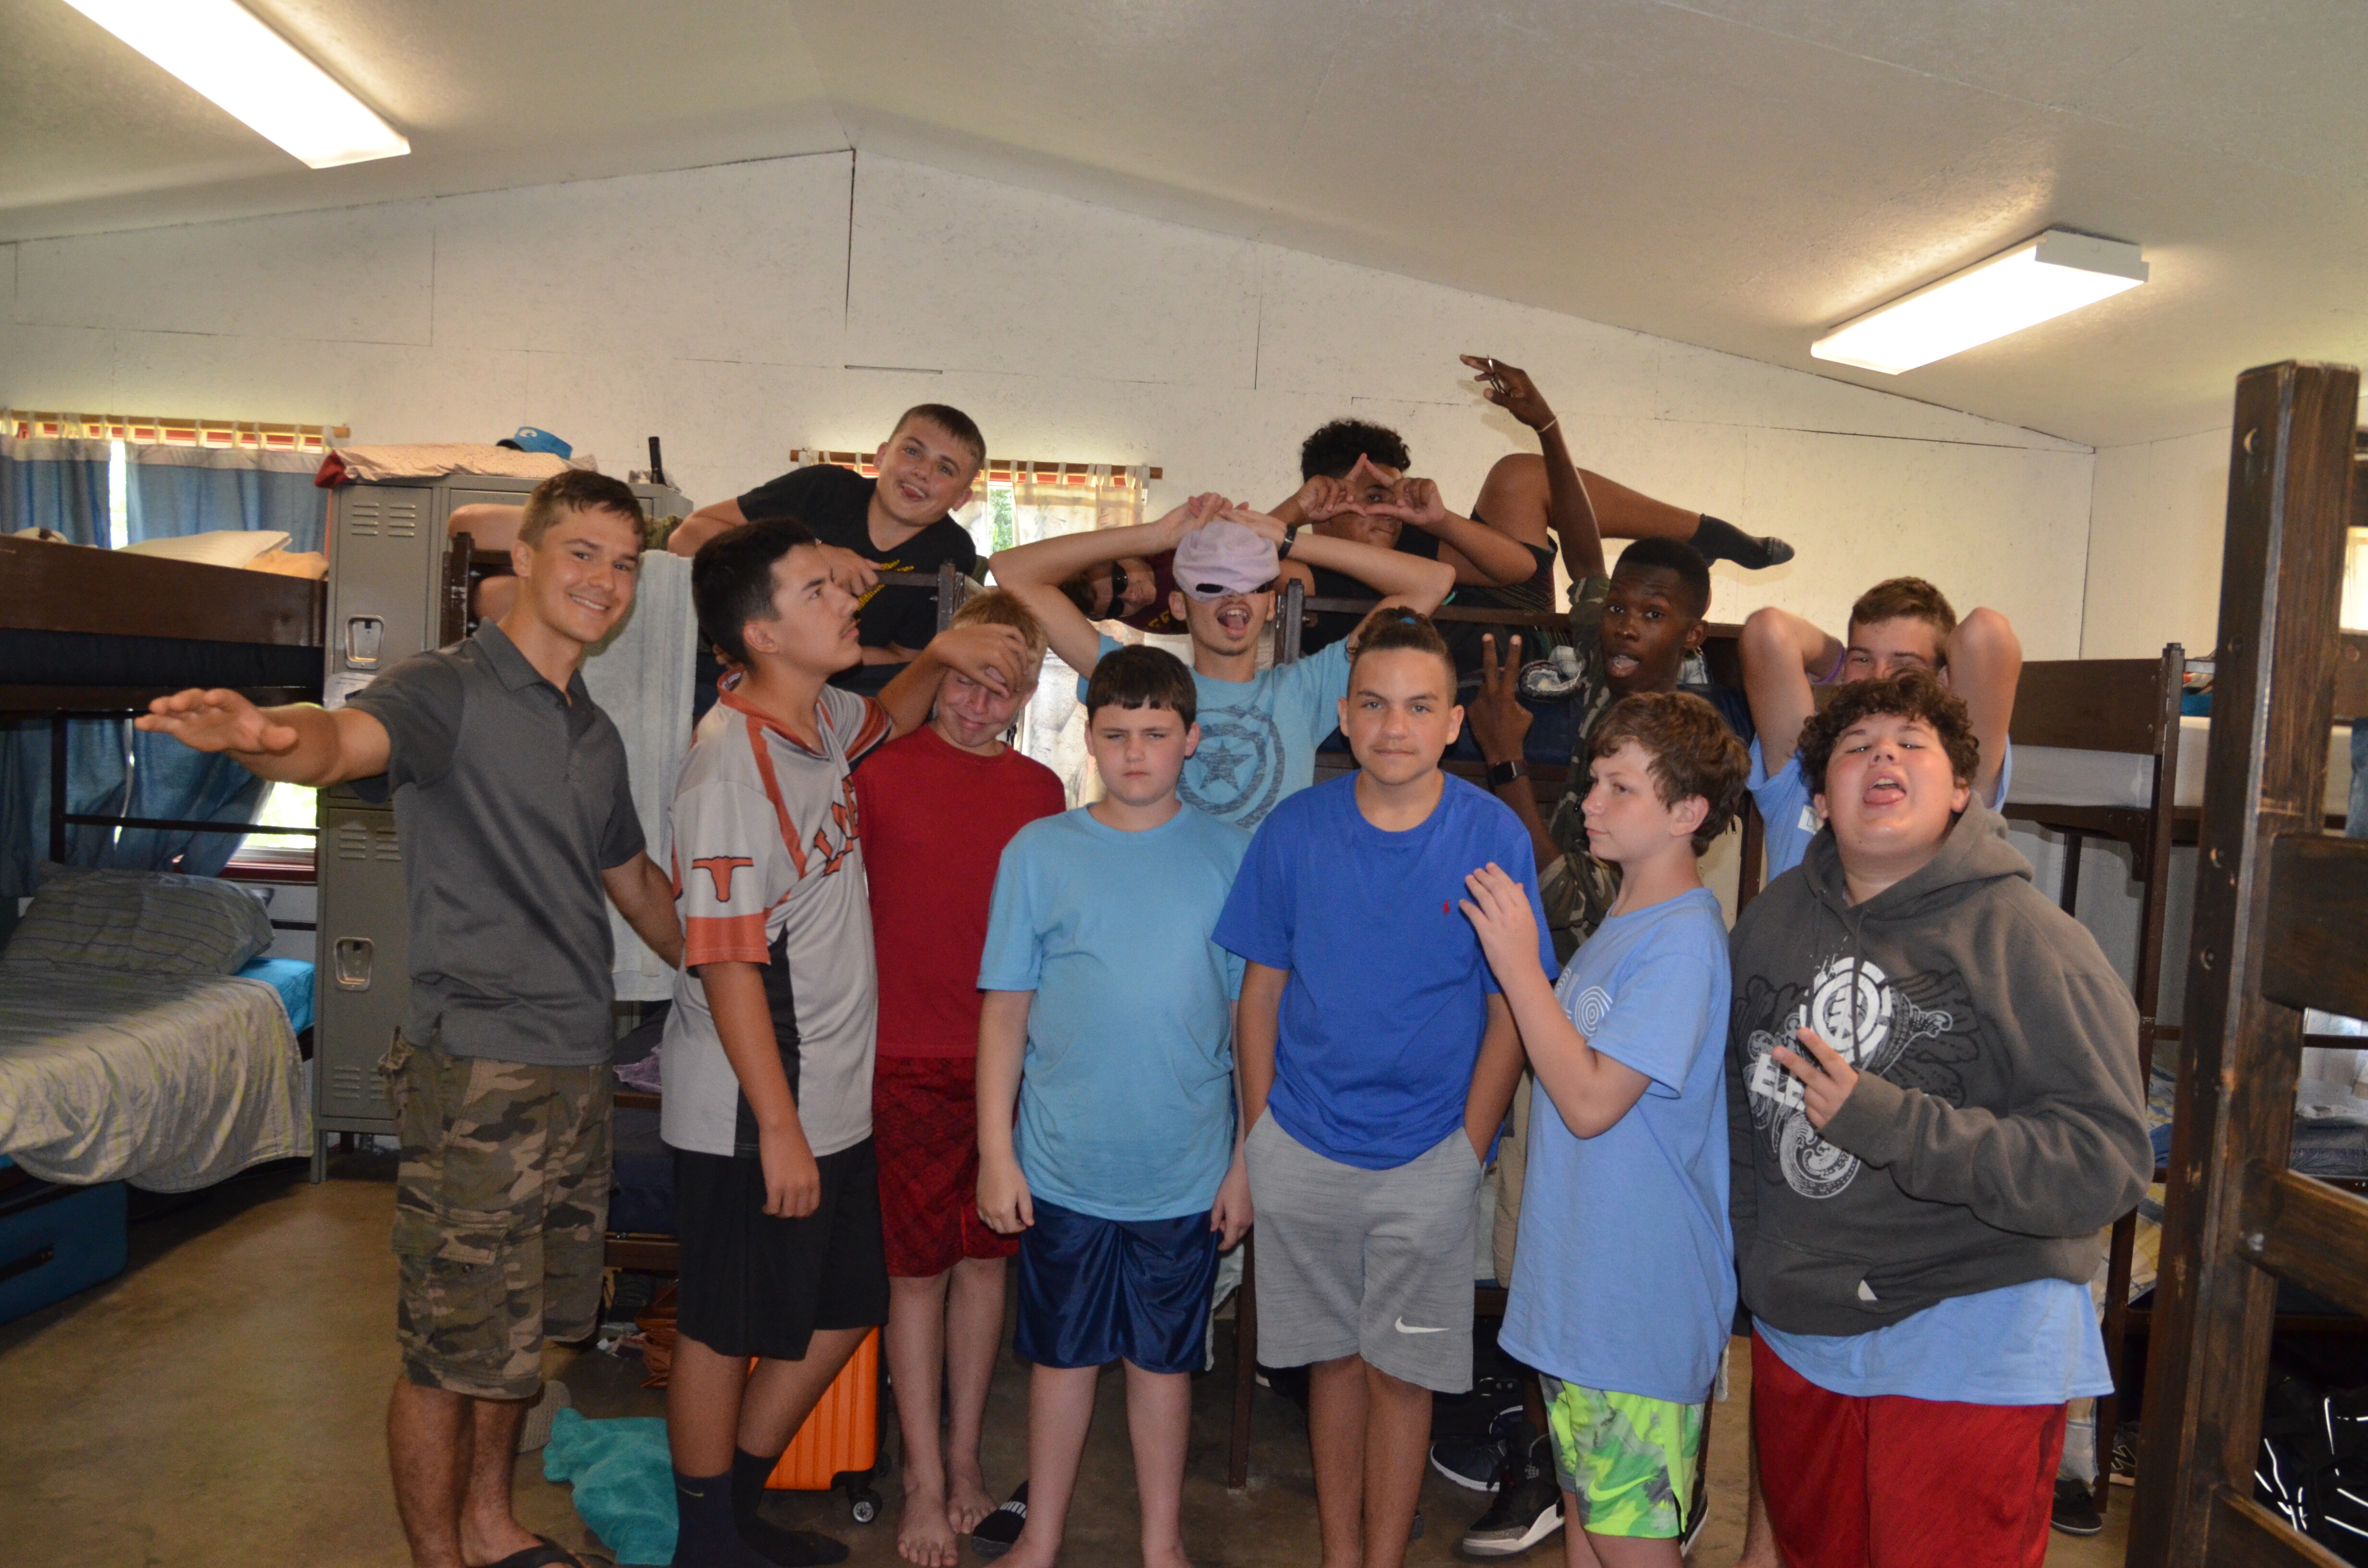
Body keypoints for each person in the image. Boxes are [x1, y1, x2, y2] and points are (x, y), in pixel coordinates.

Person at [136, 470, 687, 1568]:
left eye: (623, 564)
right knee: (450, 1341)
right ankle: (441, 1555)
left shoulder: (592, 732)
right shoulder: (448, 688)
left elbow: (633, 881)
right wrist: (265, 733)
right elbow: (342, 742)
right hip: (478, 1071)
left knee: (517, 1335)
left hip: (575, 1063)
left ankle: (490, 1525)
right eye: (581, 553)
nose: (604, 581)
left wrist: (730, 970)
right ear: (526, 558)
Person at [660, 516, 1035, 1568]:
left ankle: (732, 1510)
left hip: (831, 1088)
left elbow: (890, 710)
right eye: (817, 592)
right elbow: (728, 964)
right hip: (750, 1106)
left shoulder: (819, 718)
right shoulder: (729, 766)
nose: (845, 603)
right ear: (760, 633)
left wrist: (942, 651)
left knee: (846, 1303)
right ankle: (705, 1541)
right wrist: (778, 1126)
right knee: (723, 1323)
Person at [1727, 670, 2151, 1568]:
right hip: (1805, 1330)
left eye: (1910, 743)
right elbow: (1741, 1123)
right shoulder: (1768, 924)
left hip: (1972, 1328)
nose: (1882, 756)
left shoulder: (2029, 937)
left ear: (1962, 788)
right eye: (1855, 747)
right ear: (1818, 797)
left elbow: (2105, 1159)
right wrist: (1756, 1268)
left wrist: (1892, 1125)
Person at [1217, 612, 1553, 1568]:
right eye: (1373, 704)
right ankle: (1339, 1556)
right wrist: (1260, 1139)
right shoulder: (1294, 829)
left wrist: (1464, 1152)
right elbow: (1259, 995)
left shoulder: (1490, 836)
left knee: (1404, 1374)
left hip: (1428, 1158)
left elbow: (1507, 1010)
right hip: (1302, 1146)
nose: (1393, 726)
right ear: (1343, 714)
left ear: (1452, 722)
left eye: (1417, 707)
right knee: (1332, 1364)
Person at [973, 643, 1253, 1568]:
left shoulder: (1230, 857)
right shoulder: (1039, 852)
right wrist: (996, 1152)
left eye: (1156, 733)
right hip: (1061, 1165)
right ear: (1088, 736)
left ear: (1191, 739)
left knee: (1162, 1364)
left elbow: (1253, 1023)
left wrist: (1246, 1161)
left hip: (1183, 1171)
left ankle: (1160, 1542)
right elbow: (1004, 1010)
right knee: (1060, 1359)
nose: (1136, 751)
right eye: (1117, 732)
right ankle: (1041, 1536)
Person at [1460, 692, 1747, 1567]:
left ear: (1687, 813)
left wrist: (1519, 965)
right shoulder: (1629, 919)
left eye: (1620, 787)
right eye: (1593, 780)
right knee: (1591, 1524)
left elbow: (1589, 1102)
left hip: (1635, 1307)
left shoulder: (1682, 942)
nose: (1589, 801)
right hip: (1587, 1298)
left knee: (1627, 1537)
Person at [847, 588, 1067, 1568]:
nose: (978, 705)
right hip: (898, 1054)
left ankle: (968, 1454)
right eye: (964, 681)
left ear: (1026, 695)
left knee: (985, 1264)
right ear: (936, 671)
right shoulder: (876, 773)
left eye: (1001, 689)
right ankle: (922, 1478)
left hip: (1003, 1063)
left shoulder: (1039, 793)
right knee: (915, 1273)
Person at [992, 494, 1454, 830]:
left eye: (1252, 585)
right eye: (1212, 586)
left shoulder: (1308, 688)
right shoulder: (1139, 682)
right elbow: (1013, 572)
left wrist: (1287, 538)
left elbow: (1431, 583)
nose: (1234, 598)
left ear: (1270, 605)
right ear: (1178, 604)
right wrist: (1154, 537)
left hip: (1268, 917)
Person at [670, 404, 988, 684]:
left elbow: (906, 656)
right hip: (729, 669)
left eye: (945, 469)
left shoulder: (952, 552)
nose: (922, 472)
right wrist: (812, 553)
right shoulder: (823, 489)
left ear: (961, 499)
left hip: (859, 688)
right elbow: (687, 537)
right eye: (912, 451)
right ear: (881, 455)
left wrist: (793, 657)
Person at [1740, 576, 2022, 882]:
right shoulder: (1802, 763)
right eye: (1863, 659)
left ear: (1942, 678)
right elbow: (1767, 630)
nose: (1879, 677)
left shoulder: (1953, 766)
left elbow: (1987, 633)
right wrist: (1840, 669)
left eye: (1904, 663)